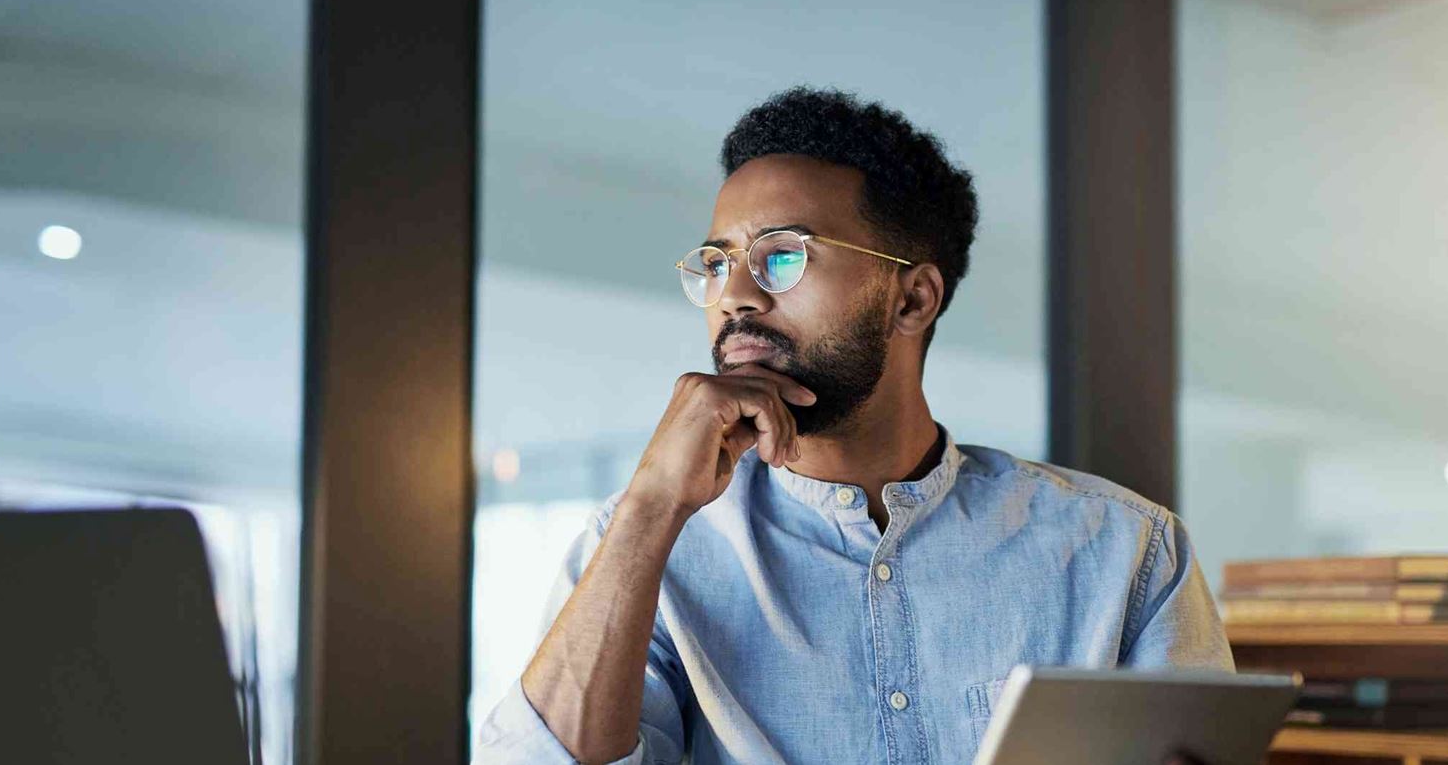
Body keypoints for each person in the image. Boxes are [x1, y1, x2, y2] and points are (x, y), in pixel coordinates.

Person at [475, 87, 1233, 764]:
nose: (734, 294)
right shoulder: (650, 548)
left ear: (912, 300)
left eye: (782, 257)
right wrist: (647, 510)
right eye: (718, 262)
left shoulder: (1126, 553)